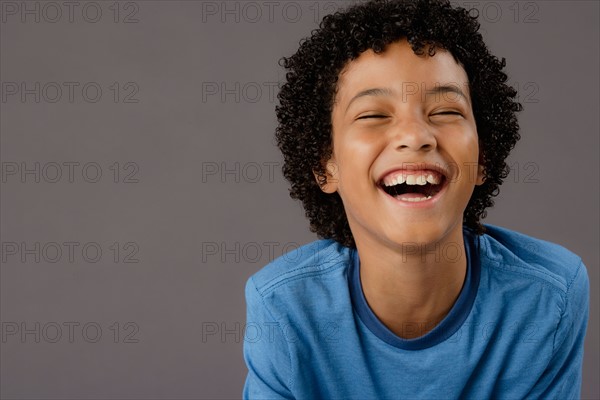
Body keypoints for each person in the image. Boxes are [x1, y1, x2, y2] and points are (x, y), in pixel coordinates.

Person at [242, 0, 590, 398]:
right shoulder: (283, 309)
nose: (416, 135)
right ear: (326, 166)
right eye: (373, 115)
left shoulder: (549, 295)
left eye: (445, 110)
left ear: (483, 158)